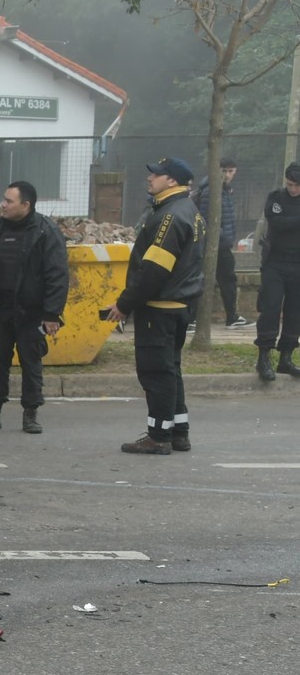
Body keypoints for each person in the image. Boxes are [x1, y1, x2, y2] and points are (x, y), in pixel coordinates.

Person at [105, 158, 206, 454]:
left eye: (157, 175)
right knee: (170, 369)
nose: (150, 179)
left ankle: (159, 437)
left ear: (172, 181)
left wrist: (125, 304)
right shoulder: (187, 210)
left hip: (160, 307)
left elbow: (153, 271)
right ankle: (178, 432)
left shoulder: (169, 216)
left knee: (156, 372)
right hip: (179, 304)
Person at [0, 181, 69, 434]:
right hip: (0, 310)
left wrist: (52, 314)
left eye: (9, 201)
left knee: (31, 363)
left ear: (26, 204)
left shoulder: (45, 231)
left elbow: (57, 275)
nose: (3, 204)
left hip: (31, 314)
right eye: (4, 199)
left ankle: (30, 414)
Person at [253, 161, 300, 381]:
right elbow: (277, 223)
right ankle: (263, 357)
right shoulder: (276, 198)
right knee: (270, 309)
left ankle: (286, 358)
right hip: (275, 263)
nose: (293, 189)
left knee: (295, 313)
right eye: (290, 184)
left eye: (297, 185)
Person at [194, 157, 248, 328]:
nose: (227, 175)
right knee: (202, 281)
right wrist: (221, 238)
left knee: (227, 280)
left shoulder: (226, 190)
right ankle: (192, 320)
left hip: (222, 243)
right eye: (223, 171)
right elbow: (206, 218)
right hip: (213, 244)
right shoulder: (211, 190)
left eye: (230, 171)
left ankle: (232, 317)